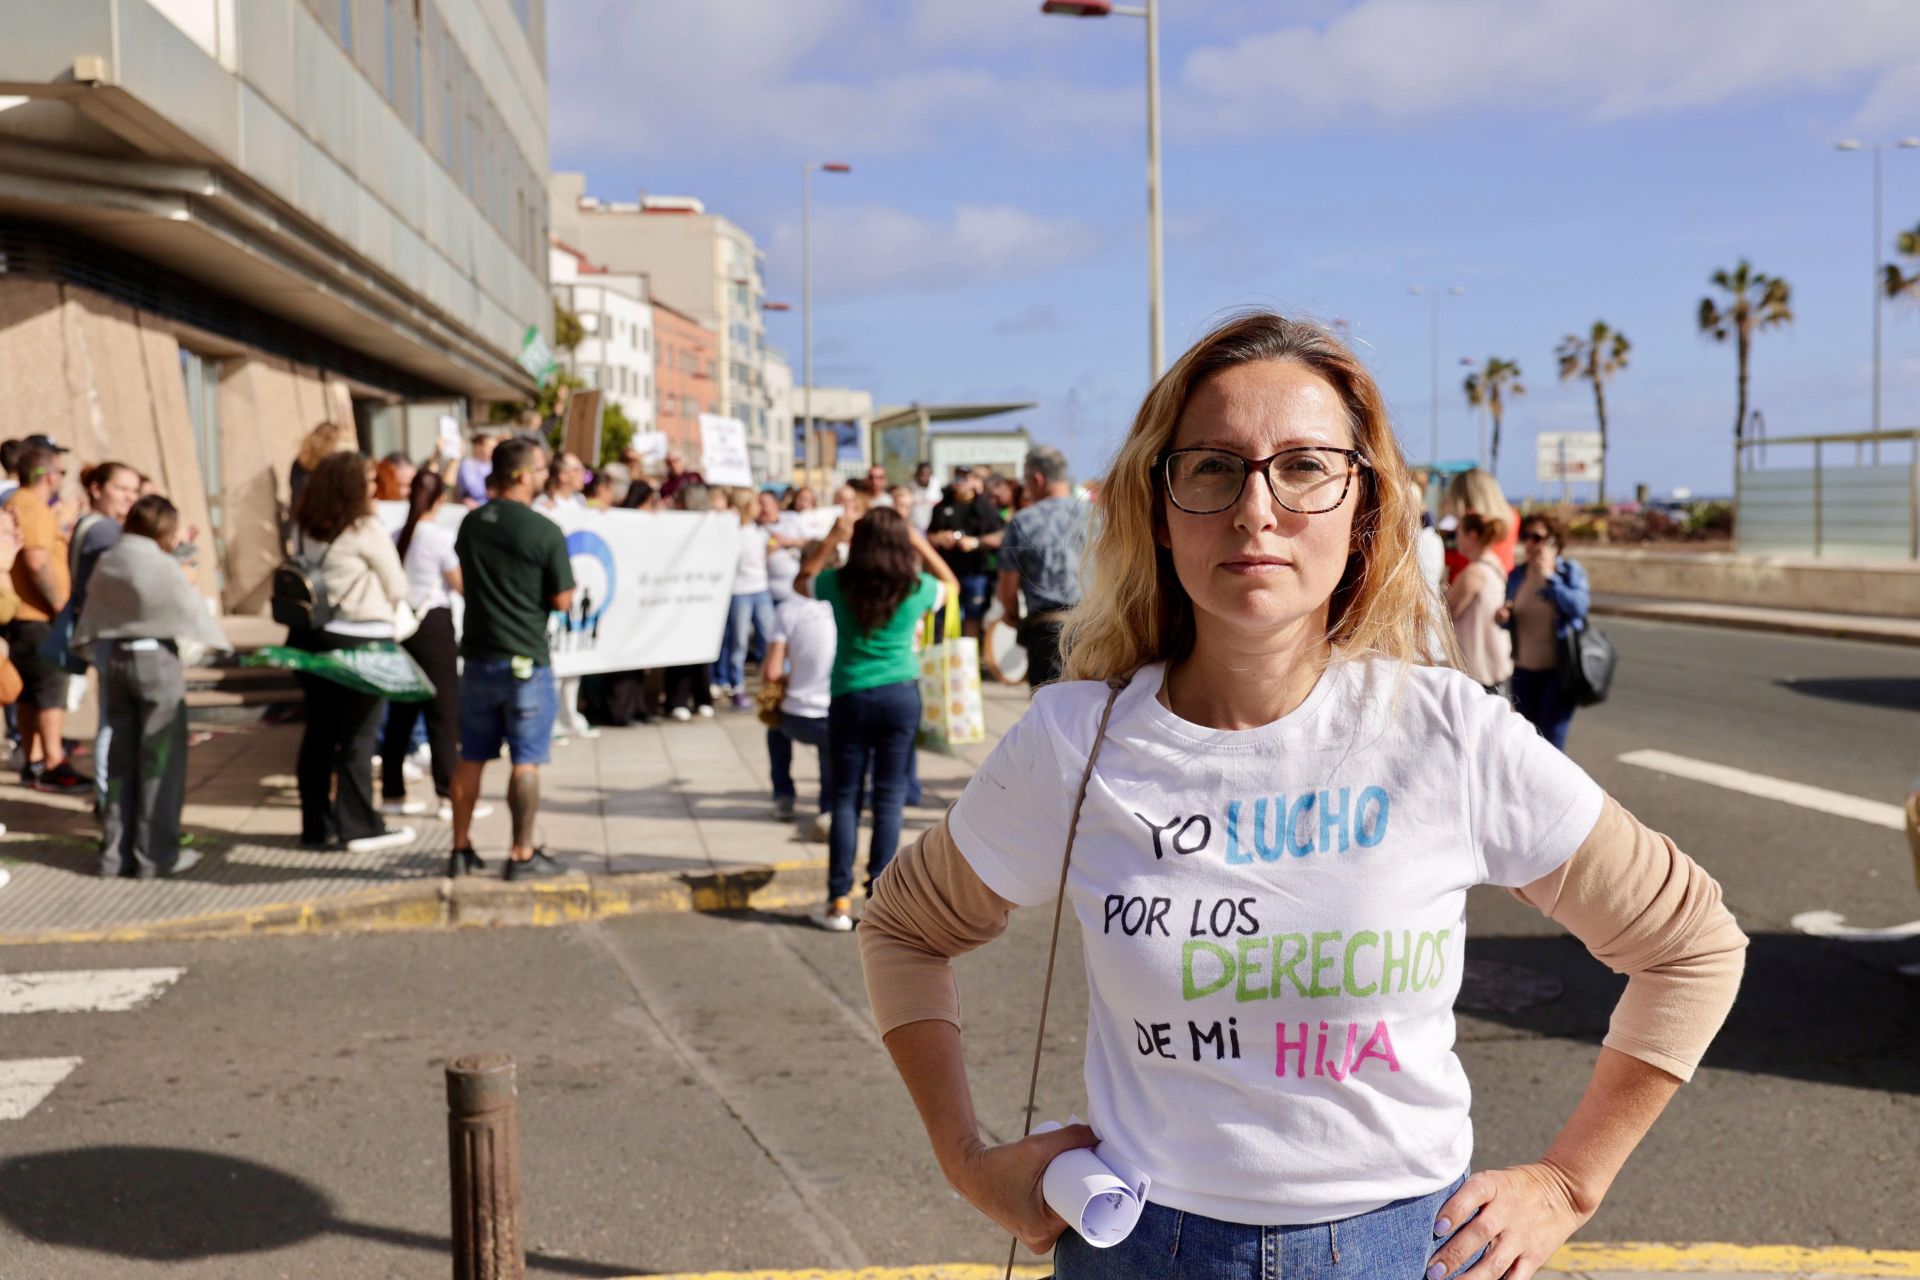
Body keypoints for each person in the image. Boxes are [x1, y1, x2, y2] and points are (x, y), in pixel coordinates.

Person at [857, 312, 1746, 1277]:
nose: (1256, 508)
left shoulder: (1447, 734)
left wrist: (1570, 1184)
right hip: (1142, 1251)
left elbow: (1691, 946)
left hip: (1402, 1254)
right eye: (1212, 467)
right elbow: (903, 929)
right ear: (1160, 507)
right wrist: (968, 1161)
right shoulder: (1078, 741)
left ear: (1365, 506)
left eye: (1305, 465)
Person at [795, 506, 958, 931]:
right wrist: (919, 541)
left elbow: (801, 582)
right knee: (888, 799)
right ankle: (878, 901)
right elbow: (951, 584)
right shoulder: (916, 586)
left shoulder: (838, 581)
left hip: (849, 694)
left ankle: (837, 901)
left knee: (845, 797)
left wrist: (832, 538)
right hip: (901, 696)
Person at [76, 495, 231, 878]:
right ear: (164, 527)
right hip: (156, 662)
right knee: (161, 760)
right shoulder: (160, 563)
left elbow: (94, 611)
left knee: (119, 761)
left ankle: (114, 854)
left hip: (115, 661)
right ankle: (155, 856)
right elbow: (188, 609)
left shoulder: (110, 558)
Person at [450, 437, 575, 880]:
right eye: (541, 470)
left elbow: (466, 577)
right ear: (522, 476)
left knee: (472, 757)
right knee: (526, 759)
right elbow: (562, 599)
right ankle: (521, 853)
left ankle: (459, 848)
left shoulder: (470, 524)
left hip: (479, 658)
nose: (547, 477)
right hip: (526, 660)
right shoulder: (544, 530)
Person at [288, 451, 415, 853]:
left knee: (319, 735)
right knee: (359, 737)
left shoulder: (307, 525)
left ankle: (316, 826)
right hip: (362, 639)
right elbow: (398, 587)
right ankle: (360, 826)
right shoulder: (364, 528)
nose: (375, 486)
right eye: (369, 480)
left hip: (314, 639)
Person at [381, 470, 483, 823]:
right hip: (433, 624)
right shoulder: (438, 538)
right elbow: (460, 585)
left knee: (401, 710)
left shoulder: (397, 536)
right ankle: (446, 794)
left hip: (403, 625)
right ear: (439, 499)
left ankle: (392, 792)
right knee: (443, 712)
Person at [5, 442, 89, 793]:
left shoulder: (16, 503)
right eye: (60, 472)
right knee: (51, 689)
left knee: (28, 694)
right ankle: (53, 761)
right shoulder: (33, 507)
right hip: (38, 617)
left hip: (21, 617)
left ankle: (34, 761)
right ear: (48, 476)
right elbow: (37, 560)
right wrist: (59, 607)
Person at [71, 462, 143, 811]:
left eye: (134, 490)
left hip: (102, 631)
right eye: (121, 488)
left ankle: (109, 798)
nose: (129, 496)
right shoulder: (104, 533)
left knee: (110, 720)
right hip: (108, 634)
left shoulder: (99, 527)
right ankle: (107, 802)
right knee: (111, 723)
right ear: (98, 489)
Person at [995, 446, 1090, 690]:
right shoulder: (1098, 515)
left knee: (1049, 717)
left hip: (1048, 633)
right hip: (1097, 629)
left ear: (1037, 479)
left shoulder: (1023, 521)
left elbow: (1007, 589)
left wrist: (1012, 615)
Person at [1498, 511, 1592, 751]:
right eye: (1526, 537)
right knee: (1529, 741)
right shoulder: (1517, 575)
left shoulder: (1568, 572)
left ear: (1553, 541)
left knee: (1551, 742)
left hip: (1558, 671)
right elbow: (1510, 618)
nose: (1530, 544)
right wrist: (1503, 617)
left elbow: (1579, 607)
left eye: (1537, 537)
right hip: (1523, 670)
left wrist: (1549, 577)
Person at [763, 541, 836, 840]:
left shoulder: (787, 609)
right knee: (832, 751)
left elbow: (771, 672)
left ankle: (783, 796)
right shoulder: (845, 606)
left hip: (796, 717)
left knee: (774, 726)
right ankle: (828, 809)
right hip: (836, 712)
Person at [926, 466, 1005, 640]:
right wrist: (940, 538)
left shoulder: (986, 508)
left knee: (973, 617)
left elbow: (999, 536)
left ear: (974, 482)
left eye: (966, 478)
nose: (961, 483)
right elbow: (929, 536)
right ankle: (945, 656)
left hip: (975, 572)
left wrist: (975, 543)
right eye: (958, 478)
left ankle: (969, 658)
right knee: (944, 616)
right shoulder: (942, 506)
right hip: (947, 571)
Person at [661, 484, 717, 722]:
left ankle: (702, 697)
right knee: (679, 648)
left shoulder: (713, 525)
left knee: (700, 649)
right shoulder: (672, 524)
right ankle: (678, 700)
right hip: (679, 594)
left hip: (702, 595)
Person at [717, 489, 778, 709]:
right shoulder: (734, 533)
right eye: (755, 503)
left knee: (769, 636)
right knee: (739, 641)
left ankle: (771, 684)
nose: (759, 507)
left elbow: (764, 555)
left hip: (760, 589)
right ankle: (737, 686)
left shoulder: (760, 531)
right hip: (740, 592)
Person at [1447, 512, 1514, 692]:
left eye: (1458, 534)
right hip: (1496, 662)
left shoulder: (1474, 572)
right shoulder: (1495, 564)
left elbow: (1447, 613)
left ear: (1472, 535)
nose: (1456, 540)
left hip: (1479, 670)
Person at [1442, 467, 1517, 582]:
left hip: (1470, 586)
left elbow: (1458, 561)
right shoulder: (1511, 516)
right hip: (1505, 581)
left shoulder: (1471, 525)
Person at [288, 422, 351, 519]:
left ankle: (289, 525)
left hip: (297, 475)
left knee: (295, 504)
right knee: (299, 513)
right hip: (308, 484)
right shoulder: (327, 457)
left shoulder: (307, 444)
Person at [767, 486, 818, 603]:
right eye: (800, 499)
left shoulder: (814, 519)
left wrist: (788, 541)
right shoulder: (788, 517)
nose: (803, 503)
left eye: (807, 500)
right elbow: (774, 538)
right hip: (776, 586)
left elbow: (813, 542)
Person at [455, 431, 497, 506]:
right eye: (490, 447)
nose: (493, 451)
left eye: (494, 447)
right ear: (478, 447)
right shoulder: (467, 465)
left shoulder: (492, 465)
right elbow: (475, 491)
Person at [907, 461, 941, 531]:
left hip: (933, 528)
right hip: (915, 527)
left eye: (926, 475)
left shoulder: (937, 487)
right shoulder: (910, 487)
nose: (923, 478)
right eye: (921, 474)